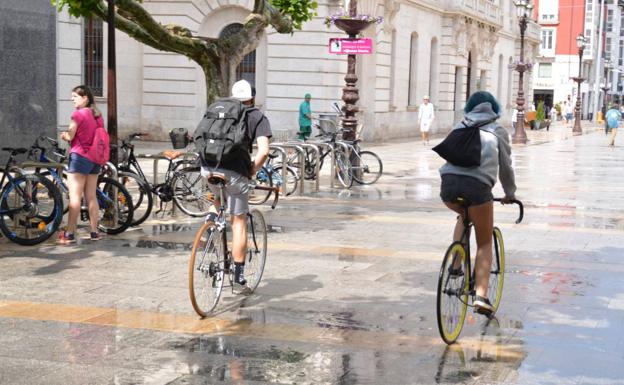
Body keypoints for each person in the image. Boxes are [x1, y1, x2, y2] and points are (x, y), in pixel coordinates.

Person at [439, 91, 517, 315]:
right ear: (494, 109)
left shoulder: (459, 125)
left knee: (463, 216)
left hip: (448, 187)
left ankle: (456, 264)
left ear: (469, 108)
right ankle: (481, 296)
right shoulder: (497, 130)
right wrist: (509, 193)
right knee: (484, 242)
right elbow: (506, 166)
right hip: (478, 188)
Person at [201, 79, 272, 288]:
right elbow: (264, 151)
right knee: (238, 221)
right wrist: (252, 169)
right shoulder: (257, 117)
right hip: (235, 171)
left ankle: (210, 222)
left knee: (217, 195)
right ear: (253, 97)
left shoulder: (219, 110)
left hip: (208, 167)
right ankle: (239, 277)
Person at [58, 85, 103, 244]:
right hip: (95, 159)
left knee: (75, 197)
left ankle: (69, 233)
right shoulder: (98, 115)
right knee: (91, 196)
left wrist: (64, 135)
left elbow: (71, 135)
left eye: (75, 96)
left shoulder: (78, 114)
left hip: (79, 157)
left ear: (85, 98)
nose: (72, 99)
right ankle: (94, 231)